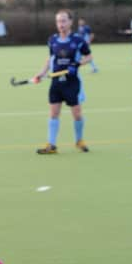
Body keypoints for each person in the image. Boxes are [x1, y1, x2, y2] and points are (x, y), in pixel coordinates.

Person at [32, 9, 93, 155]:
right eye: (58, 21)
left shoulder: (78, 40)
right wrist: (41, 73)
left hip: (72, 83)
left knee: (77, 114)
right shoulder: (52, 40)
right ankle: (51, 145)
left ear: (70, 22)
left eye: (64, 21)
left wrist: (77, 64)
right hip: (56, 82)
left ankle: (79, 141)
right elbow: (50, 59)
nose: (61, 24)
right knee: (54, 114)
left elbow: (89, 57)